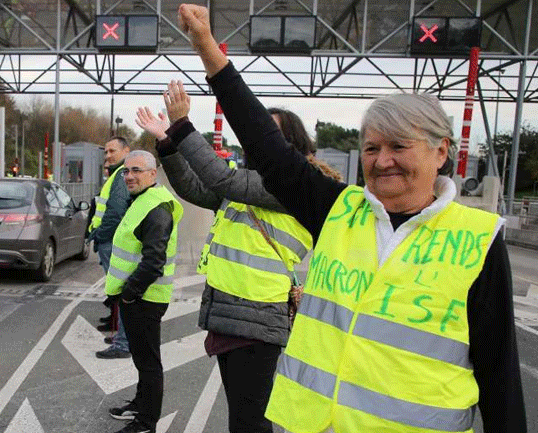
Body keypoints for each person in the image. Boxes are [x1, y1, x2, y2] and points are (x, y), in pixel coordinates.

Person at [177, 4, 527, 432]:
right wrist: (207, 48)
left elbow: (500, 375)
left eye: (399, 146)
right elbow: (266, 146)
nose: (382, 161)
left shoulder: (478, 240)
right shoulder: (338, 210)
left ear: (440, 152)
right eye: (371, 148)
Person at [137, 80, 335, 433]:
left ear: (290, 144)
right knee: (244, 420)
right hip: (232, 313)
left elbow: (220, 178)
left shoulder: (293, 185)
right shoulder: (251, 184)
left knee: (249, 423)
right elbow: (195, 188)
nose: (256, 138)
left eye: (267, 133)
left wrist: (181, 126)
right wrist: (167, 144)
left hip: (256, 317)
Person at [106, 150, 183, 433]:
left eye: (136, 170)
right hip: (138, 296)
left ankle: (147, 422)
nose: (129, 176)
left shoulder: (157, 208)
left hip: (145, 298)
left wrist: (129, 293)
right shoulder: (143, 200)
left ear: (153, 173)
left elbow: (154, 261)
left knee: (149, 362)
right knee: (142, 359)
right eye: (126, 171)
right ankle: (140, 404)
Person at [88, 136, 133, 359]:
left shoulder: (122, 175)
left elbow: (115, 212)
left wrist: (100, 236)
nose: (108, 155)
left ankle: (123, 343)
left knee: (122, 293)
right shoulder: (118, 174)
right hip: (112, 241)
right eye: (106, 152)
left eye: (113, 151)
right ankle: (123, 338)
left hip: (111, 242)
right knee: (120, 292)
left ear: (126, 151)